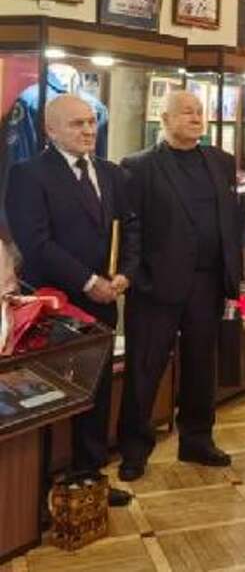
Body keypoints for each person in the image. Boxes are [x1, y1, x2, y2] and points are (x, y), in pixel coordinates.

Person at [5, 94, 140, 507]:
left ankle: (89, 477)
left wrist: (125, 274)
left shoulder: (112, 173)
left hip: (104, 301)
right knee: (49, 395)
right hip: (56, 304)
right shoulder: (29, 174)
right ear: (50, 130)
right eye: (77, 124)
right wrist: (88, 281)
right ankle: (37, 493)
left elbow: (130, 229)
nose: (88, 130)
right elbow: (36, 242)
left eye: (91, 122)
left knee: (96, 393)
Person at [117, 90, 242, 481]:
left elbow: (230, 220)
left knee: (201, 366)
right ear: (165, 118)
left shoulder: (221, 161)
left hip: (208, 284)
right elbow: (130, 227)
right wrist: (137, 276)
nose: (196, 117)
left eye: (200, 111)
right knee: (144, 369)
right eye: (187, 112)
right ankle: (134, 450)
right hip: (156, 287)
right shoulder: (138, 166)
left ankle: (197, 440)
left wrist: (232, 274)